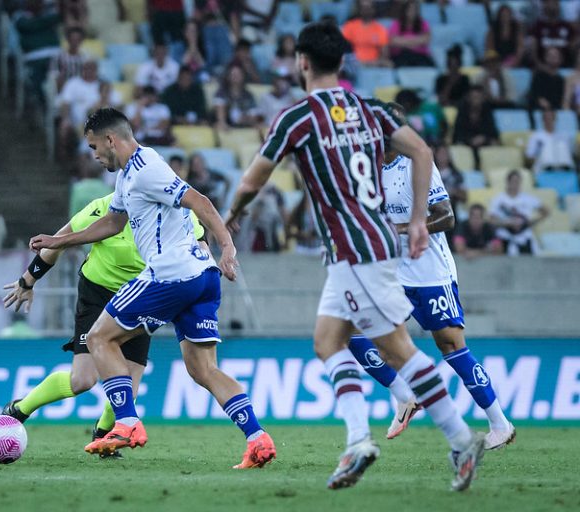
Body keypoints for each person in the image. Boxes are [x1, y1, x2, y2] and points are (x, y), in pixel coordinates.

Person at [225, 21, 485, 491]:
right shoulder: (372, 112)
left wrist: (231, 217)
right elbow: (423, 151)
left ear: (302, 61)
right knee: (328, 342)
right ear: (342, 61)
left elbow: (250, 181)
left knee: (399, 350)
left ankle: (461, 440)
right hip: (366, 248)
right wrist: (421, 219)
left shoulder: (298, 117)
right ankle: (359, 441)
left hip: (355, 250)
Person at [29, 108, 277, 468]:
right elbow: (113, 223)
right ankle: (258, 438)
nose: (94, 156)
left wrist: (228, 247)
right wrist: (60, 240)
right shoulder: (128, 177)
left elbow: (201, 202)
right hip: (201, 276)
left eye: (95, 147)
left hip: (171, 272)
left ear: (111, 140)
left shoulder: (146, 168)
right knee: (203, 370)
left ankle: (127, 424)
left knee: (99, 338)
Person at [345, 104, 515, 451]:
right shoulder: (370, 171)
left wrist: (402, 229)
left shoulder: (417, 166)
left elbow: (446, 216)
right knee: (355, 330)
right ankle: (404, 395)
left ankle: (500, 422)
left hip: (430, 273)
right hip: (395, 272)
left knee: (451, 345)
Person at [3, 192, 204, 457]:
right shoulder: (103, 209)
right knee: (83, 380)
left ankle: (103, 435)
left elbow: (201, 247)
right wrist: (27, 281)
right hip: (97, 295)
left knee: (127, 391)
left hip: (141, 297)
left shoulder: (179, 211)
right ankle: (19, 409)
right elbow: (56, 243)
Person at [488, 170, 549, 255]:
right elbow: (491, 221)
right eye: (513, 181)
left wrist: (530, 222)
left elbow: (546, 212)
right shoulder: (498, 199)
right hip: (504, 237)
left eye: (517, 181)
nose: (515, 184)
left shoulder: (528, 198)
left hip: (524, 236)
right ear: (507, 181)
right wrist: (507, 223)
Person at [453, 86, 500, 166]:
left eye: (478, 97)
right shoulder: (462, 111)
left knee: (494, 143)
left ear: (483, 98)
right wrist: (470, 140)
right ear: (469, 98)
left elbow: (493, 133)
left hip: (484, 144)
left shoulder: (487, 111)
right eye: (473, 97)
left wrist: (484, 138)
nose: (476, 100)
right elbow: (457, 133)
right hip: (466, 144)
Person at [341, 0, 391, 67]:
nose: (366, 10)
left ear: (373, 9)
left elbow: (384, 53)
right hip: (353, 64)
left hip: (373, 64)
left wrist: (375, 62)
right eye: (363, 7)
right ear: (360, 9)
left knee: (388, 64)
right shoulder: (350, 26)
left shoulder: (380, 29)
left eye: (368, 7)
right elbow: (341, 47)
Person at [213, 64, 262, 130]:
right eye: (233, 74)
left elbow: (254, 115)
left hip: (244, 127)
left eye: (238, 74)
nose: (235, 77)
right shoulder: (221, 92)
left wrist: (244, 118)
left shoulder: (248, 95)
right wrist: (222, 122)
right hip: (227, 126)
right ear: (228, 76)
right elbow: (219, 110)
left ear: (243, 76)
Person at [529, 0, 575, 68]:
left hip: (566, 68)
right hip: (542, 68)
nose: (552, 6)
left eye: (555, 3)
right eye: (548, 3)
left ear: (559, 7)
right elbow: (532, 48)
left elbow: (573, 46)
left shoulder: (567, 27)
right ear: (544, 7)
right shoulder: (537, 27)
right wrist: (539, 66)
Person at [387, 0, 434, 67]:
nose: (412, 12)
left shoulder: (423, 24)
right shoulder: (396, 24)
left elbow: (426, 40)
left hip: (420, 56)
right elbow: (393, 41)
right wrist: (416, 42)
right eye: (409, 9)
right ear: (404, 10)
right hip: (400, 55)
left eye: (414, 9)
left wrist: (403, 41)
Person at [528, 46, 565, 111]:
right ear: (545, 58)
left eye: (555, 56)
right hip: (539, 110)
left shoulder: (561, 80)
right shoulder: (538, 76)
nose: (553, 58)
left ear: (560, 59)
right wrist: (540, 101)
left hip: (556, 111)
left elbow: (562, 99)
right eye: (550, 55)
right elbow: (534, 95)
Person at [53, 26, 86, 92]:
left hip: (82, 90)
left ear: (81, 40)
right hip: (63, 89)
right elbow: (53, 77)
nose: (75, 43)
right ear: (67, 39)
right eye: (72, 40)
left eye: (77, 40)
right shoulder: (58, 57)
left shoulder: (86, 57)